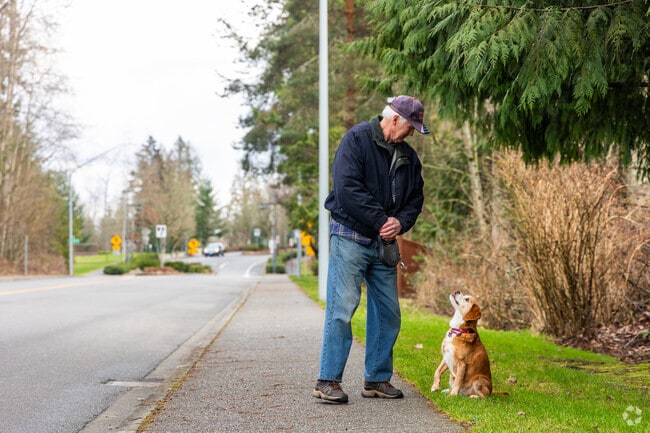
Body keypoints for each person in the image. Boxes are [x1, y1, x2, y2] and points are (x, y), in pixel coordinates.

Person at [312, 95, 428, 404]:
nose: (412, 133)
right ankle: (328, 380)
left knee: (388, 313)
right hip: (350, 235)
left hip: (384, 243)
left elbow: (415, 199)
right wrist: (381, 221)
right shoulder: (358, 139)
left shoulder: (409, 157)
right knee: (342, 309)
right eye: (409, 127)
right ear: (393, 120)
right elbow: (347, 187)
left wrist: (400, 224)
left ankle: (376, 379)